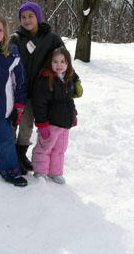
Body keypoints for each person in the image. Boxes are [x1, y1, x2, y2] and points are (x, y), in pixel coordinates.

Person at [10, 1, 64, 174]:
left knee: (27, 127)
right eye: (23, 17)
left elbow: (63, 60)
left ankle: (21, 154)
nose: (27, 20)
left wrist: (67, 81)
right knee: (12, 125)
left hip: (38, 92)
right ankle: (11, 157)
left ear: (38, 17)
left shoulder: (51, 38)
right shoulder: (16, 38)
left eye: (30, 16)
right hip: (17, 91)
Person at [0, 11, 28, 187]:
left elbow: (20, 82)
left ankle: (3, 167)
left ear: (5, 32)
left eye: (0, 30)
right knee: (5, 139)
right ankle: (11, 170)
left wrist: (19, 106)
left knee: (6, 137)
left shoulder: (12, 54)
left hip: (9, 106)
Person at [31, 47, 83, 184]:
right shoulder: (46, 80)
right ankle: (40, 171)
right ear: (50, 62)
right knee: (44, 148)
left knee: (59, 150)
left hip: (65, 124)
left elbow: (69, 100)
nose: (59, 65)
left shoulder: (68, 78)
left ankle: (55, 172)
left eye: (62, 61)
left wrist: (73, 115)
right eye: (55, 61)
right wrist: (42, 124)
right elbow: (39, 104)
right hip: (50, 124)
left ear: (68, 64)